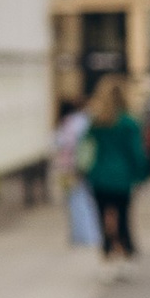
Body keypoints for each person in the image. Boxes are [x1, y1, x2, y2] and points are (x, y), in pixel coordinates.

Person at [82, 76, 150, 266]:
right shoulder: (129, 123)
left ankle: (107, 253)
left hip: (99, 176)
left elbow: (86, 148)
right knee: (123, 216)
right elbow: (137, 153)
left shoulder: (96, 122)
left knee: (102, 216)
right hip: (122, 177)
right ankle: (126, 252)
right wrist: (142, 176)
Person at [52, 98, 100, 252]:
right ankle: (91, 234)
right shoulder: (87, 120)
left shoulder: (68, 123)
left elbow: (58, 142)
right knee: (88, 201)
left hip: (70, 168)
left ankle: (81, 235)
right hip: (87, 166)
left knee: (75, 202)